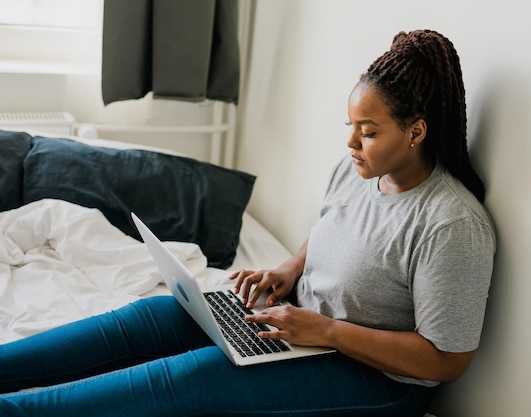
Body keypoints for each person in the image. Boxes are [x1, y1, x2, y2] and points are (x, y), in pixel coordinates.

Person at [0, 29, 495, 417]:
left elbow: (446, 359)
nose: (351, 145)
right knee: (145, 321)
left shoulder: (451, 223)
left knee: (181, 380)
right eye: (351, 128)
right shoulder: (359, 169)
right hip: (300, 323)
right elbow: (338, 231)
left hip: (377, 378)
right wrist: (289, 270)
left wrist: (326, 331)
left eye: (367, 132)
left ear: (416, 131)